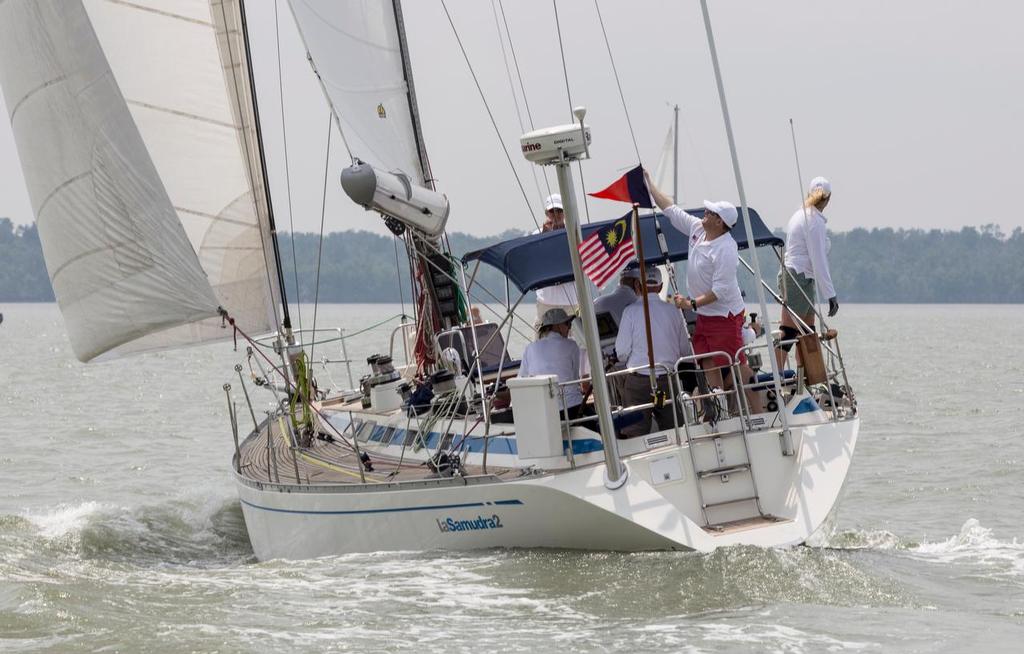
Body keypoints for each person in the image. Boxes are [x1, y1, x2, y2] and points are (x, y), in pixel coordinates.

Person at [644, 171, 759, 413]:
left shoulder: (726, 250)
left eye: (710, 213)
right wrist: (650, 186)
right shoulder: (698, 228)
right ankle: (719, 410)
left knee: (736, 362)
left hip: (724, 314)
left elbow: (720, 290)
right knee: (706, 359)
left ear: (720, 222)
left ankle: (758, 410)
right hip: (706, 314)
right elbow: (672, 211)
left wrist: (690, 304)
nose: (704, 213)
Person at [614, 267, 694, 436]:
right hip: (668, 380)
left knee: (635, 433)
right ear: (660, 286)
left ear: (638, 285)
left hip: (638, 383)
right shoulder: (674, 312)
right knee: (674, 431)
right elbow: (685, 351)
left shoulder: (630, 312)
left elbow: (621, 352)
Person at [777, 177, 838, 368]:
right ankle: (777, 378)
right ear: (828, 199)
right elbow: (819, 261)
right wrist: (831, 295)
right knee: (789, 332)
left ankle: (804, 381)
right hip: (798, 277)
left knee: (808, 333)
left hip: (800, 276)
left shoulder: (801, 215)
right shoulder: (815, 222)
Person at [518, 308, 585, 418]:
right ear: (556, 326)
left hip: (543, 410)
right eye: (567, 323)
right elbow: (575, 378)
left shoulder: (530, 348)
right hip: (571, 407)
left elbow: (522, 379)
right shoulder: (572, 346)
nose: (570, 327)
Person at [533, 194, 579, 325]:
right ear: (547, 213)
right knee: (540, 338)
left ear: (565, 213)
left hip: (571, 300)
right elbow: (535, 261)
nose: (556, 214)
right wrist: (544, 237)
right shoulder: (536, 235)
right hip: (546, 301)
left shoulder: (575, 232)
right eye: (552, 211)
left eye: (559, 211)